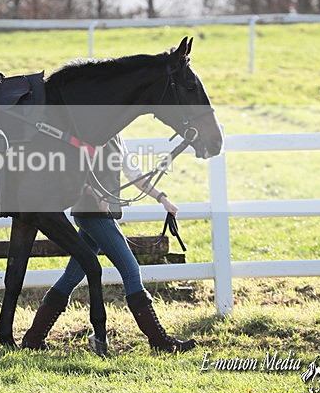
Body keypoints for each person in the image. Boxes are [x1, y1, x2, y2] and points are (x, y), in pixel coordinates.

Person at [21, 134, 196, 353]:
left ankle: (33, 338)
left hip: (101, 216)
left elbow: (135, 175)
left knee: (72, 276)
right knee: (131, 271)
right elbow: (69, 173)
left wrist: (163, 199)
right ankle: (160, 342)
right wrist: (92, 192)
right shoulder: (87, 134)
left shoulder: (117, 139)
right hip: (92, 214)